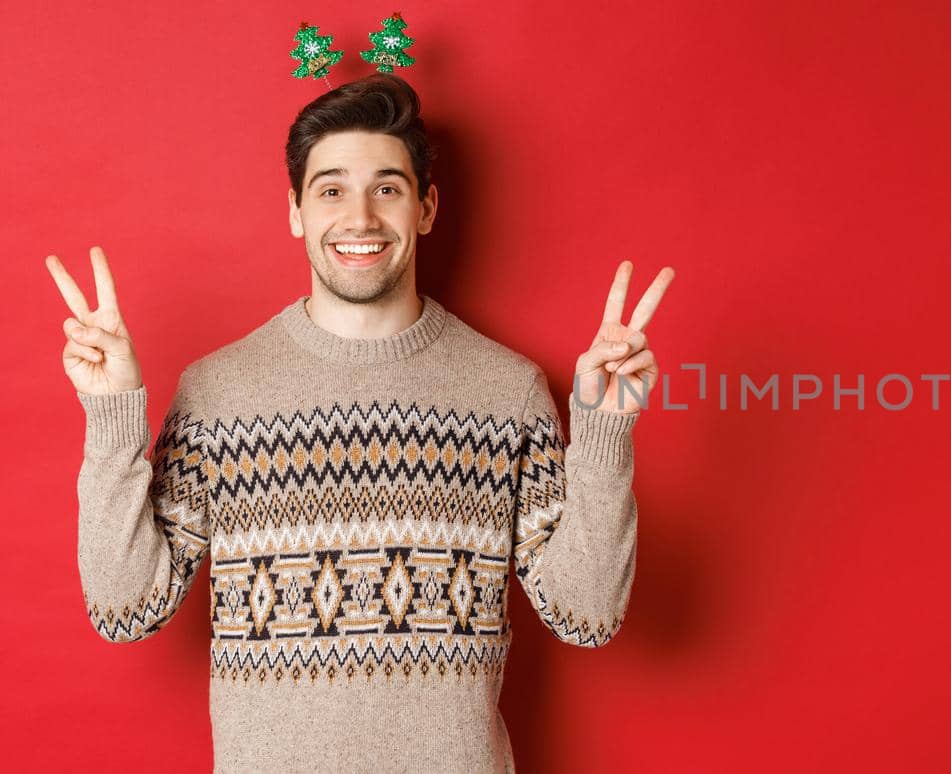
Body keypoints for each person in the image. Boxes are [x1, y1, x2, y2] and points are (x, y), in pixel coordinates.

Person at [43, 73, 673, 773]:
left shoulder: (507, 392)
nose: (361, 219)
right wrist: (110, 415)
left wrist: (602, 437)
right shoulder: (216, 393)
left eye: (388, 188)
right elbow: (124, 610)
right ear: (296, 210)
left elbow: (586, 616)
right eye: (332, 189)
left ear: (426, 208)